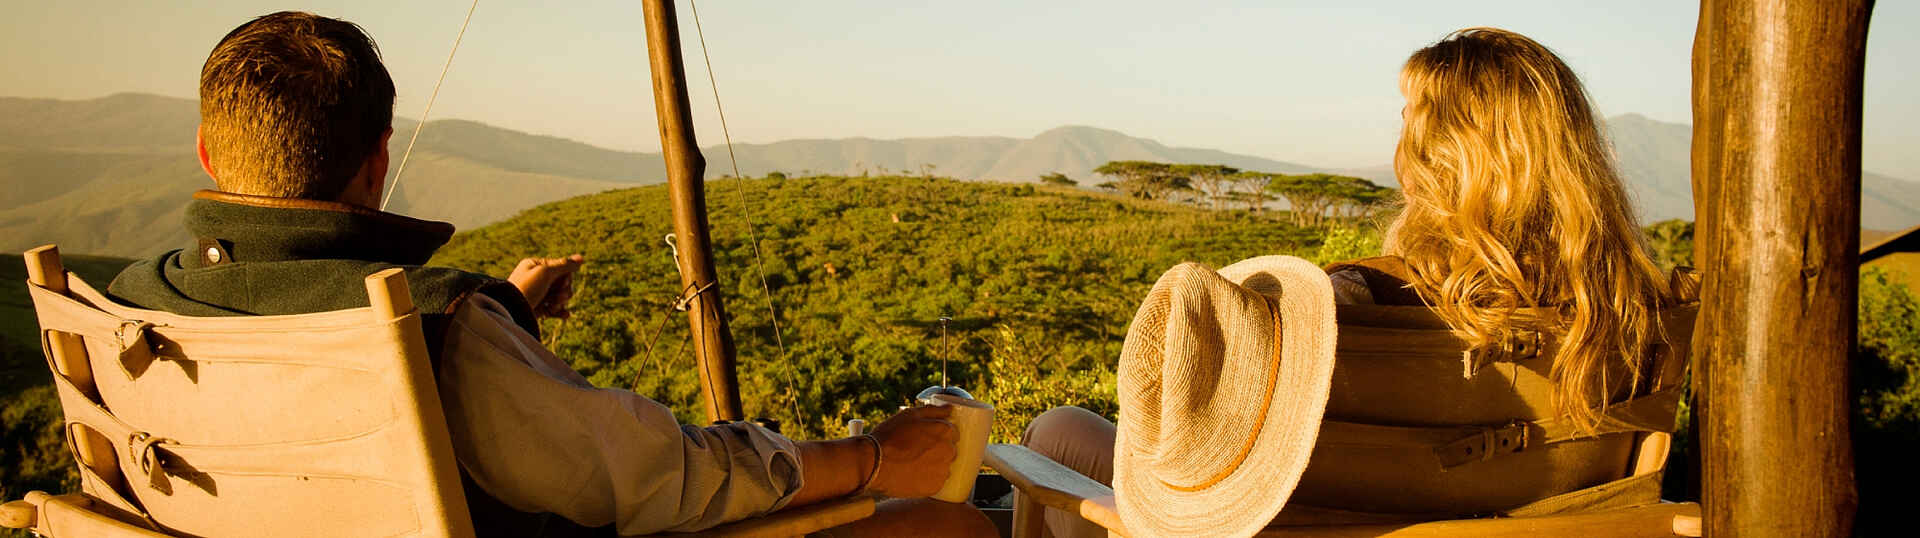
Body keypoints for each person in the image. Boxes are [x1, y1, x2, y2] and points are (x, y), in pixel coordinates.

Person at [105, 11, 994, 538]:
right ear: (378, 161)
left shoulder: (127, 304)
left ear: (208, 150)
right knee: (950, 528)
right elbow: (666, 475)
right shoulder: (440, 331)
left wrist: (506, 317)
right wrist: (875, 454)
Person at [1020, 27, 1676, 537]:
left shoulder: (1357, 302)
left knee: (1054, 431)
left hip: (1324, 526)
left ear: (1433, 152)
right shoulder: (1639, 310)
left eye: (1409, 119)